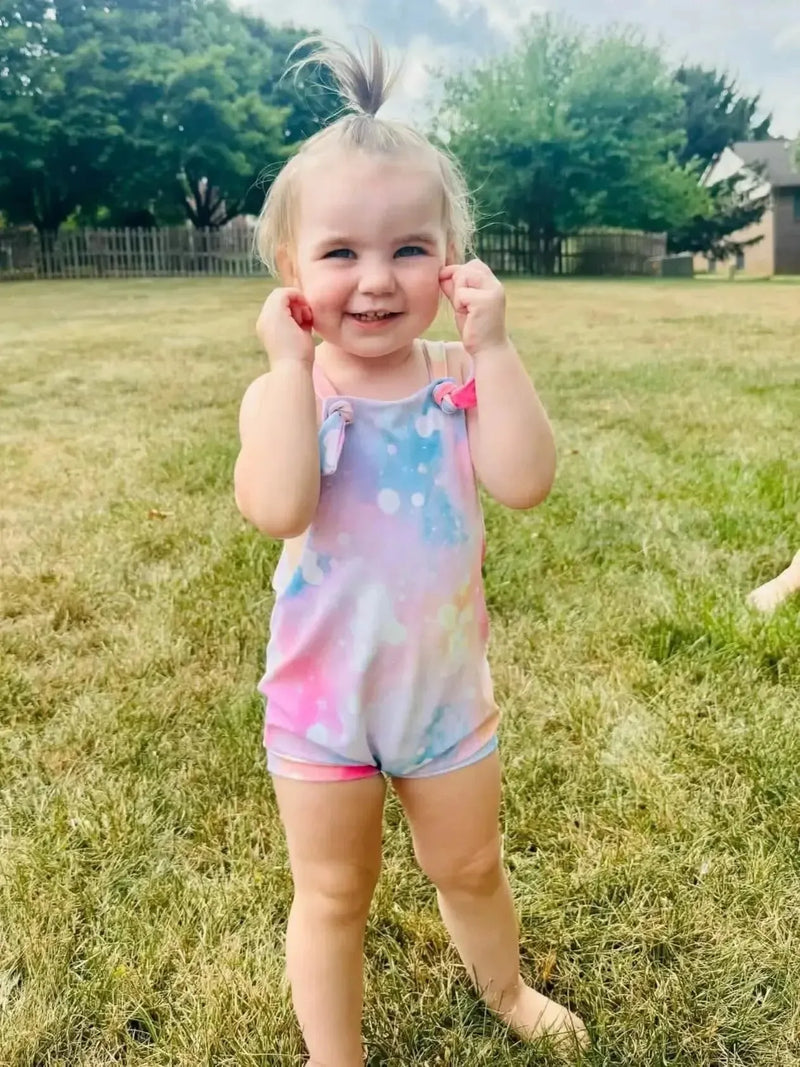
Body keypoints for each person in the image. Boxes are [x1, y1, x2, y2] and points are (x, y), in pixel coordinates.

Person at [234, 35, 589, 1067]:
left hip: (441, 697)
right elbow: (278, 501)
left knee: (470, 864)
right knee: (332, 891)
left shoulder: (455, 377)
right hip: (321, 702)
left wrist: (493, 347)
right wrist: (290, 371)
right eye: (341, 252)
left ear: (450, 261)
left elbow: (525, 481)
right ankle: (331, 1055)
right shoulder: (284, 391)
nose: (377, 279)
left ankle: (505, 985)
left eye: (407, 250)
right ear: (291, 273)